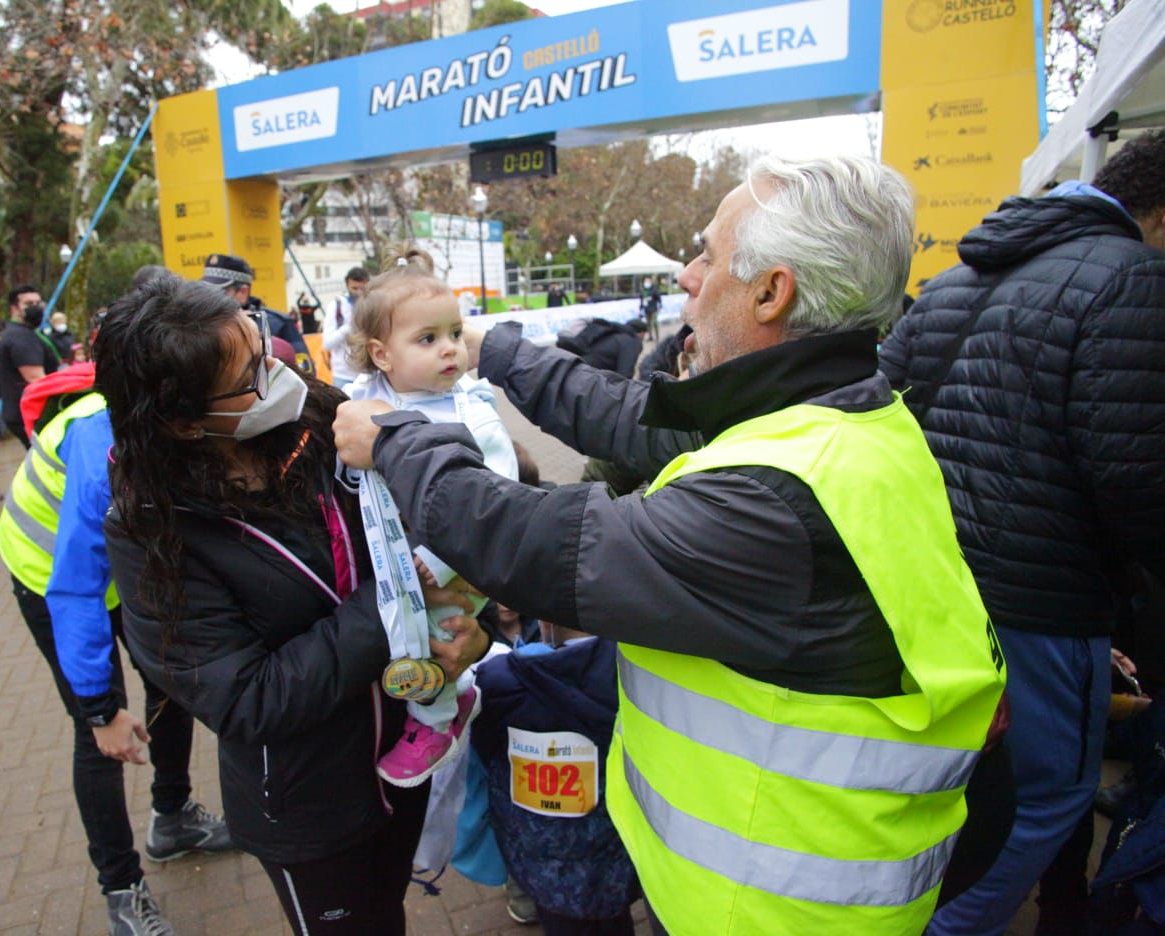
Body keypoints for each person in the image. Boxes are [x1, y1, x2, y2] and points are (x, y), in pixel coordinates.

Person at [335, 154, 1009, 933]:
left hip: (780, 908)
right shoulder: (835, 411)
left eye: (708, 256)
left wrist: (398, 443)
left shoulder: (774, 498)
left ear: (770, 290)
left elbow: (547, 546)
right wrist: (492, 350)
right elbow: (632, 415)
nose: (687, 275)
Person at [94, 276, 489, 935]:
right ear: (183, 419)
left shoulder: (314, 419)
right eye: (250, 371)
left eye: (262, 343)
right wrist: (399, 602)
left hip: (402, 751)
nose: (277, 369)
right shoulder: (152, 530)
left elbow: (431, 503)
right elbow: (249, 698)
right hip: (311, 806)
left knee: (387, 914)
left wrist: (467, 623)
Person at [879, 129, 1165, 935]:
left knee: (950, 792)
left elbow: (881, 414)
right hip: (1042, 605)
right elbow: (1137, 477)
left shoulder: (950, 281)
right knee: (1047, 799)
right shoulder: (1133, 279)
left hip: (934, 594)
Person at [0, 298, 234, 936]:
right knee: (98, 736)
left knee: (170, 684)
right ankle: (121, 885)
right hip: (51, 574)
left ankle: (174, 816)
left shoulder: (180, 410)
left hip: (121, 566)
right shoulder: (104, 448)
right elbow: (74, 588)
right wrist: (100, 707)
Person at [343, 250, 518, 787]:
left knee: (441, 633)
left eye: (455, 333)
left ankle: (440, 719)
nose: (450, 349)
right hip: (396, 558)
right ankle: (447, 698)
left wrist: (438, 562)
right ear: (382, 355)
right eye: (428, 339)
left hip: (459, 566)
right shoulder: (363, 400)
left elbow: (497, 495)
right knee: (401, 633)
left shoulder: (472, 411)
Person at [471, 623, 641, 935]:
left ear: (543, 623)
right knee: (614, 919)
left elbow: (486, 753)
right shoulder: (634, 673)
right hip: (613, 844)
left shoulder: (499, 681)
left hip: (541, 857)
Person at [201, 253, 310, 365]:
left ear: (243, 292)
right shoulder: (200, 324)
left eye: (218, 292)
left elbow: (304, 373)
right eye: (207, 290)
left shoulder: (279, 325)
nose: (210, 297)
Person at [0, 284, 59, 447]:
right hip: (31, 414)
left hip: (24, 412)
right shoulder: (20, 337)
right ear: (14, 309)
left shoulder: (24, 333)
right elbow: (36, 379)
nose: (36, 308)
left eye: (38, 303)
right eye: (29, 304)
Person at [320, 266, 370, 388]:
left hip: (368, 374)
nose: (358, 292)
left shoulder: (372, 305)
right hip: (343, 375)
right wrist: (350, 327)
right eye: (354, 288)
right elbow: (327, 343)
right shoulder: (336, 306)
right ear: (347, 285)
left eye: (362, 289)